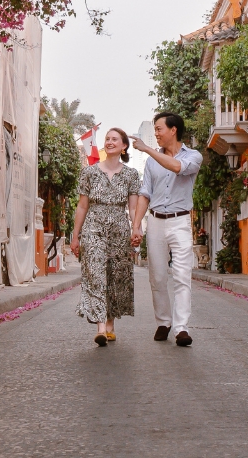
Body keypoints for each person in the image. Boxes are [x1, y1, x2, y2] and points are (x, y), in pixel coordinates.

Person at [130, 112, 203, 347]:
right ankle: (164, 322)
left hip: (180, 221)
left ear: (173, 130)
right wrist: (136, 226)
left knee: (182, 275)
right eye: (154, 131)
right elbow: (145, 194)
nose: (156, 135)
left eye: (159, 129)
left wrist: (147, 150)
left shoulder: (193, 156)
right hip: (156, 222)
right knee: (158, 277)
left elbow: (178, 167)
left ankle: (181, 327)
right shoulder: (152, 163)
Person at [71, 127, 141, 347]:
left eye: (114, 139)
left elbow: (132, 207)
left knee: (115, 274)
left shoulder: (131, 174)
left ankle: (110, 324)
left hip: (119, 229)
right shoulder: (89, 172)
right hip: (93, 226)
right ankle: (100, 326)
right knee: (96, 272)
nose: (110, 142)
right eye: (107, 139)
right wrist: (75, 236)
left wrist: (136, 228)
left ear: (123, 146)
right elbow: (82, 206)